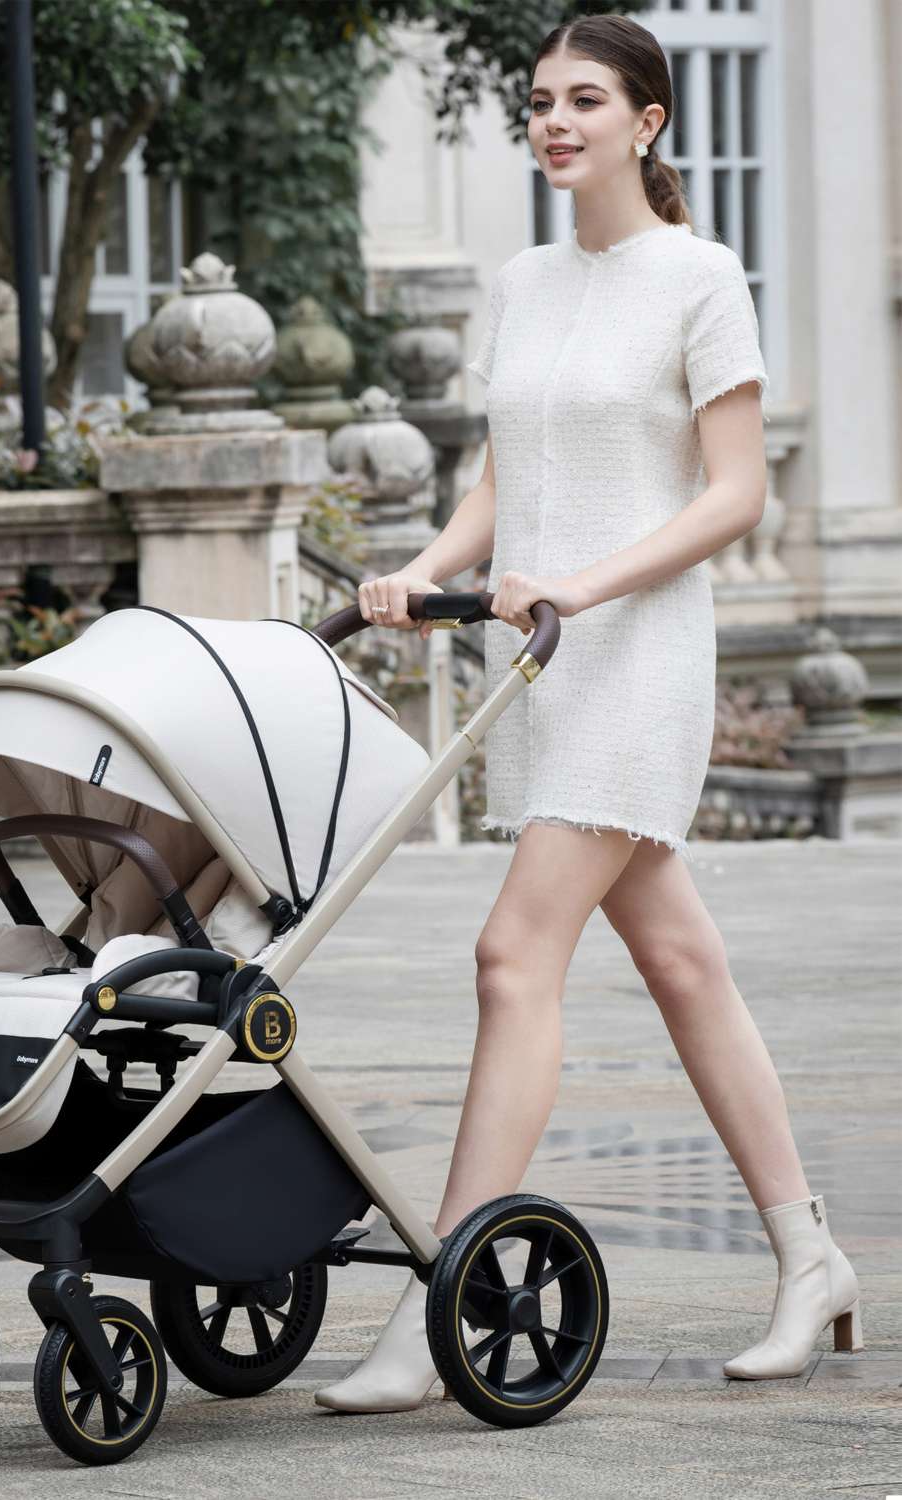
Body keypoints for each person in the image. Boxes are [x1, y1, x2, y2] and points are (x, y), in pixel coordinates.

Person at [315, 13, 860, 1414]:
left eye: (587, 100)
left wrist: (581, 584)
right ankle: (812, 1258)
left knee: (512, 955)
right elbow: (503, 479)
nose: (557, 121)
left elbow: (732, 492)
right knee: (684, 967)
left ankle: (444, 1307)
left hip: (634, 655)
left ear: (650, 121)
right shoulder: (528, 277)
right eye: (543, 101)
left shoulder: (700, 274)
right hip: (538, 662)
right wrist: (423, 572)